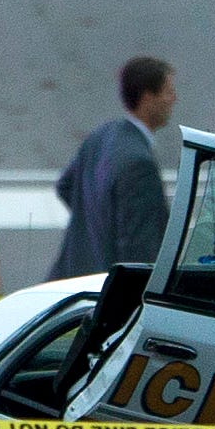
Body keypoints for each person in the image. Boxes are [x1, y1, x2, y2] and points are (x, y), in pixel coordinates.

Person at [52, 54, 174, 278]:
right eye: (167, 92)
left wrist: (96, 227)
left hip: (72, 277)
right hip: (106, 288)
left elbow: (66, 186)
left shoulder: (100, 136)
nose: (173, 99)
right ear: (148, 98)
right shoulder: (140, 163)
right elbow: (141, 248)